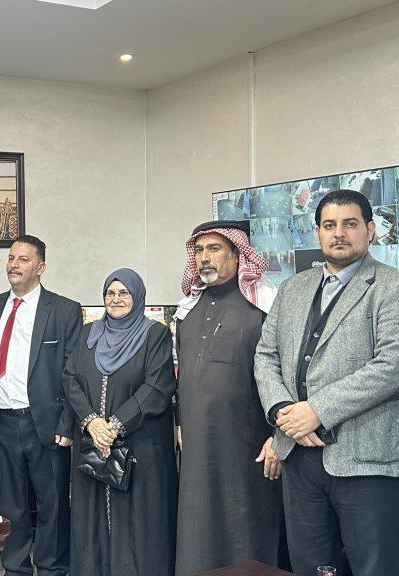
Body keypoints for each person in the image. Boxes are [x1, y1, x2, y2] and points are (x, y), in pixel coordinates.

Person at [254, 189, 399, 576]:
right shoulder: (292, 288)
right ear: (317, 232)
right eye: (329, 225)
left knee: (375, 568)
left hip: (368, 460)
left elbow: (391, 366)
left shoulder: (396, 287)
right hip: (298, 454)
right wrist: (283, 411)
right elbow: (265, 355)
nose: (339, 233)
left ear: (370, 230)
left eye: (350, 224)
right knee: (312, 566)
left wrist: (317, 410)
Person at [173, 220, 284, 574]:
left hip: (250, 445)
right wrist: (180, 422)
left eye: (215, 249)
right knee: (197, 523)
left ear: (238, 256)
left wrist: (278, 435)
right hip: (197, 444)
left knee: (244, 529)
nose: (204, 258)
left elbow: (286, 375)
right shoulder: (187, 311)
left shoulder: (263, 306)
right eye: (199, 250)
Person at [0, 235, 81, 576]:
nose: (14, 265)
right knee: (10, 505)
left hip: (46, 424)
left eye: (23, 259)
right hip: (1, 422)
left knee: (52, 503)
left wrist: (68, 423)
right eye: (11, 258)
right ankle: (15, 568)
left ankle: (51, 568)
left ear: (41, 267)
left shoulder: (63, 310)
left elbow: (72, 371)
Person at [64, 268, 178, 576]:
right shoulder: (88, 333)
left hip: (139, 445)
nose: (116, 299)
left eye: (124, 293)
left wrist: (114, 426)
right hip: (93, 445)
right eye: (110, 293)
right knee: (93, 520)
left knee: (138, 521)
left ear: (137, 296)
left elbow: (157, 386)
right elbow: (70, 377)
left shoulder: (155, 334)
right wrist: (91, 422)